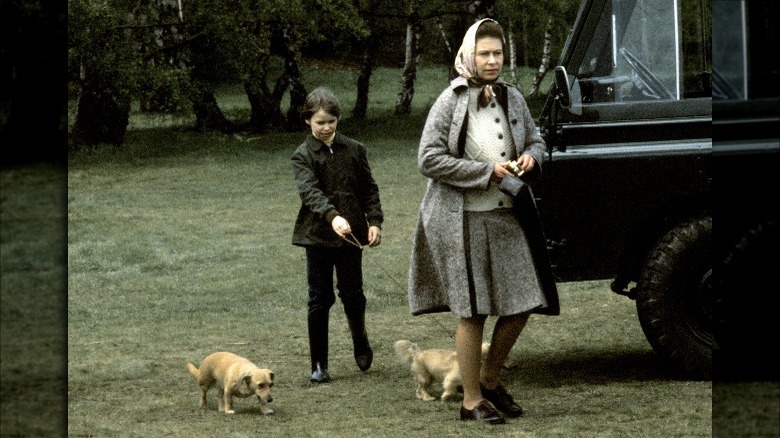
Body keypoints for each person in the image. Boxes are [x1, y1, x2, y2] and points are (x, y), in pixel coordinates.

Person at [407, 18, 559, 424]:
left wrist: (532, 157)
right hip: (464, 222)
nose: (491, 61)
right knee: (473, 311)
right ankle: (470, 401)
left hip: (507, 217)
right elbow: (428, 159)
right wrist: (486, 172)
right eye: (484, 53)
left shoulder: (511, 97)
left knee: (526, 301)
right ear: (468, 55)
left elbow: (536, 140)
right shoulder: (450, 100)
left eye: (497, 54)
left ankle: (490, 381)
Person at [291, 87, 384, 384]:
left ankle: (361, 341)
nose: (326, 127)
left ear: (337, 119)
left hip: (352, 235)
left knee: (352, 294)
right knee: (320, 298)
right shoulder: (302, 155)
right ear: (308, 121)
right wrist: (333, 217)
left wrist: (374, 222)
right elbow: (310, 193)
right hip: (317, 236)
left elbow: (369, 188)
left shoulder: (354, 149)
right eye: (319, 122)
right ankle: (319, 364)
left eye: (331, 121)